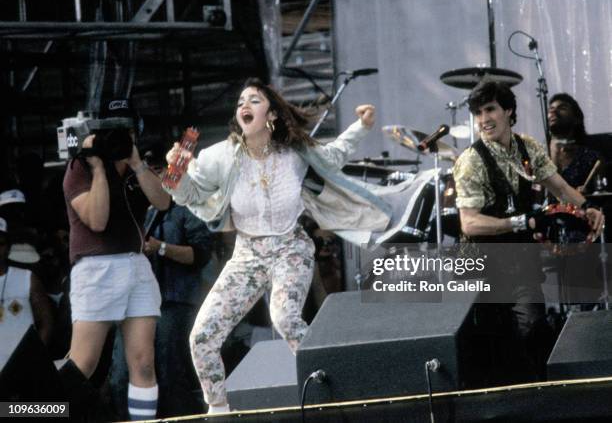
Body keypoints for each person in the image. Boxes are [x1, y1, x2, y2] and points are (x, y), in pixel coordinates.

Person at [165, 77, 415, 413]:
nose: (244, 106)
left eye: (253, 100)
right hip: (247, 255)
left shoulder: (295, 152)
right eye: (240, 102)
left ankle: (333, 389)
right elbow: (190, 196)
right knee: (202, 336)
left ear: (272, 114)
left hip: (290, 248)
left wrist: (362, 125)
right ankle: (220, 409)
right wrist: (175, 174)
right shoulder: (221, 157)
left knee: (284, 318)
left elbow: (334, 155)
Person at [453, 81, 604, 381]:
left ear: (509, 111)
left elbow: (559, 187)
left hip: (520, 261)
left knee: (533, 331)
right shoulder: (470, 161)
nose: (484, 119)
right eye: (478, 113)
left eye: (490, 109)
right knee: (490, 347)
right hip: (480, 266)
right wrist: (522, 222)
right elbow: (469, 223)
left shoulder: (528, 147)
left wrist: (587, 207)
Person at [61, 99, 170, 421]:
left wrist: (136, 164)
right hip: (96, 268)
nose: (120, 135)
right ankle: (34, 412)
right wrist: (97, 167)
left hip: (136, 265)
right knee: (84, 363)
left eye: (127, 128)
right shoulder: (80, 167)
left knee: (144, 362)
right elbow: (97, 221)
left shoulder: (138, 169)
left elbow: (163, 202)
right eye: (113, 129)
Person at [109, 142, 214, 419]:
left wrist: (161, 247)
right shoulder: (138, 205)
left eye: (156, 169)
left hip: (173, 302)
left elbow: (200, 254)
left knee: (170, 375)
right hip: (137, 303)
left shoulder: (187, 205)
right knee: (121, 376)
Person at [0, 217, 55, 370]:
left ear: (9, 248)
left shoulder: (27, 277)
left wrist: (35, 357)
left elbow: (47, 322)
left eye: (1, 243)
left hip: (23, 369)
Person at [548, 93, 600, 192]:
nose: (553, 111)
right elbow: (536, 196)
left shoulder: (591, 158)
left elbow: (602, 192)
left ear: (576, 119)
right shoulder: (539, 156)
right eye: (551, 108)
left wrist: (587, 191)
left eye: (562, 108)